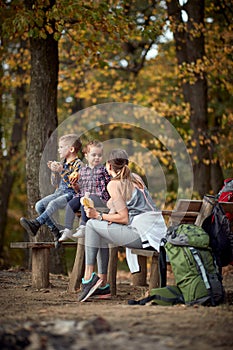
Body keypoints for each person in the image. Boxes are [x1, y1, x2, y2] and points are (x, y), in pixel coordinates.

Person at [77, 148, 167, 302]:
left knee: (92, 224)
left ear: (109, 166)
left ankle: (87, 278)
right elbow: (124, 207)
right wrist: (104, 215)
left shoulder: (114, 184)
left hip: (143, 235)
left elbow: (124, 218)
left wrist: (97, 215)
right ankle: (103, 285)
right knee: (99, 227)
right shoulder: (135, 178)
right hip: (157, 233)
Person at [20, 134, 83, 248]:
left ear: (71, 149)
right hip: (59, 192)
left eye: (61, 147)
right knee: (39, 205)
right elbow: (55, 184)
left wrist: (62, 170)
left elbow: (73, 183)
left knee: (52, 203)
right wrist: (54, 172)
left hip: (71, 194)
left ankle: (37, 223)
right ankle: (55, 231)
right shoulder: (63, 163)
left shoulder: (79, 165)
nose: (59, 150)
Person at [59, 140, 111, 241]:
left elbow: (110, 183)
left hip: (99, 198)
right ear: (86, 155)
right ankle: (67, 229)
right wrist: (75, 185)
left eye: (99, 155)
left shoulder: (103, 170)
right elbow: (79, 189)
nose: (97, 157)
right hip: (84, 196)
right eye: (94, 155)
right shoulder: (82, 170)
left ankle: (83, 226)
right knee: (71, 204)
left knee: (85, 199)